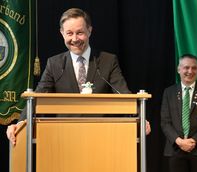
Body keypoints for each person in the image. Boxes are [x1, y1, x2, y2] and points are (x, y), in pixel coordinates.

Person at [6, 8, 151, 145]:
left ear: (89, 31)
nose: (75, 39)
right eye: (69, 33)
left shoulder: (108, 61)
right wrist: (20, 124)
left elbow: (123, 94)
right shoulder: (54, 63)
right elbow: (37, 97)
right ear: (62, 33)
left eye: (80, 32)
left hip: (100, 137)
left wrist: (139, 118)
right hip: (63, 138)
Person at [161, 54, 197, 172]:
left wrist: (194, 141)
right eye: (186, 67)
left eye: (194, 68)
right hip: (175, 149)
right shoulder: (169, 92)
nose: (190, 71)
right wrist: (180, 142)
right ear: (179, 69)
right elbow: (165, 122)